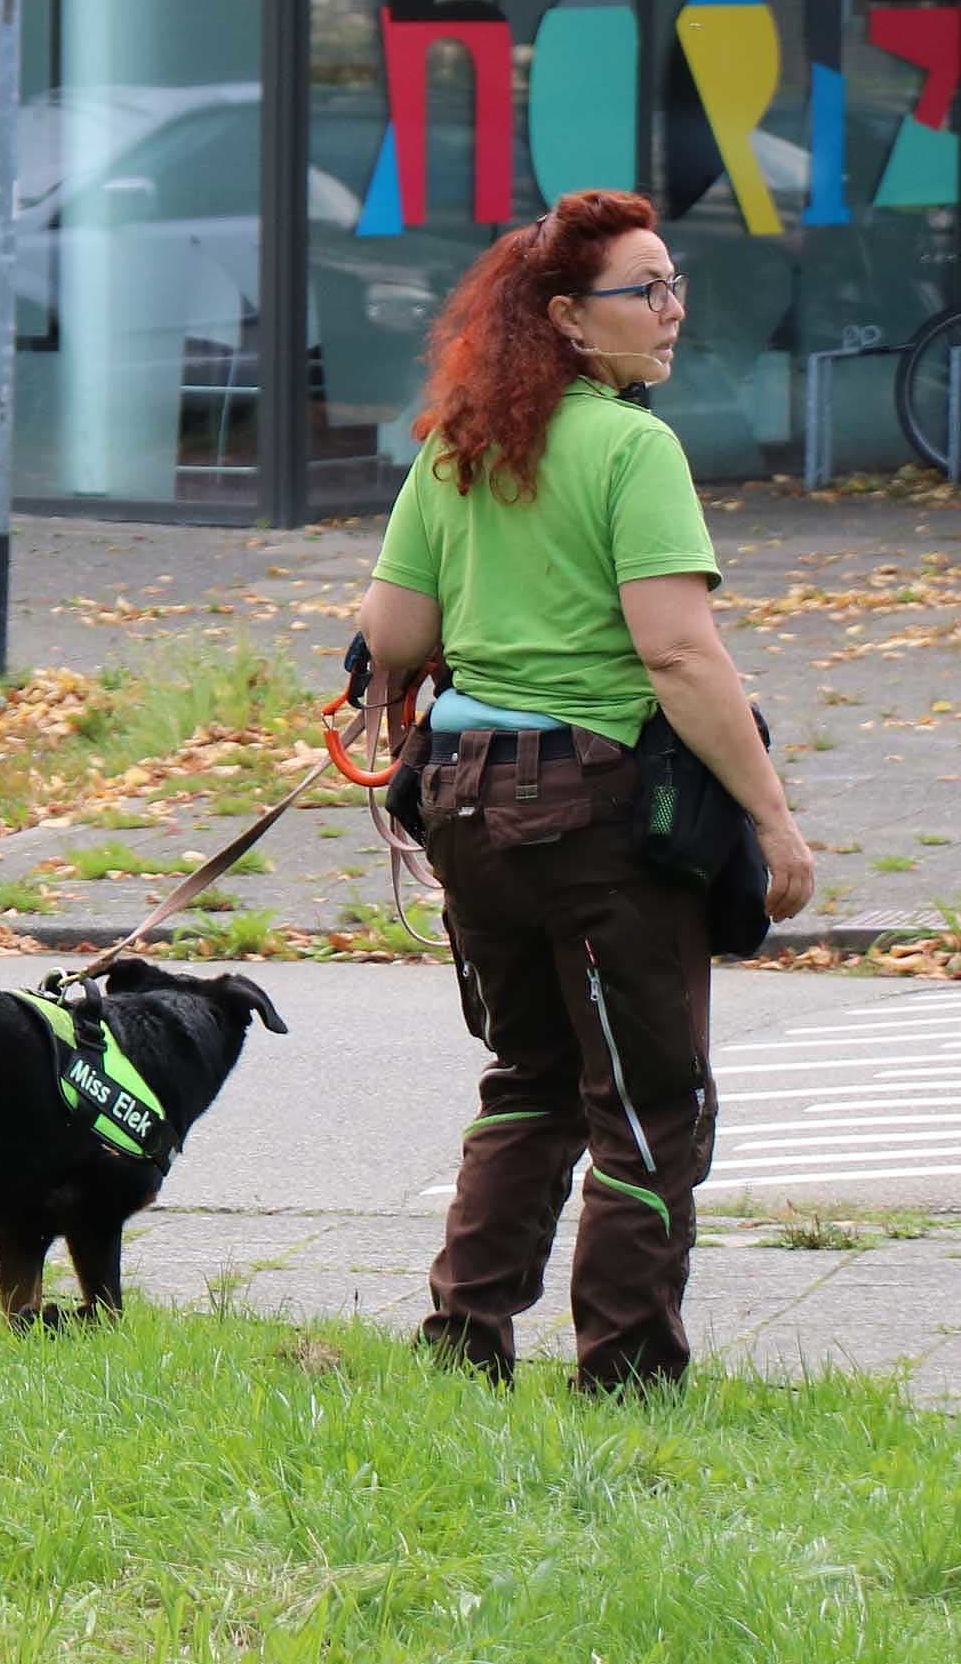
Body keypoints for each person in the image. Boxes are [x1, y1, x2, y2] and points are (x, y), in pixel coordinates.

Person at [357, 189, 814, 1394]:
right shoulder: (631, 447)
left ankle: (465, 1345)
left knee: (529, 1082)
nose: (671, 311)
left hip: (464, 809)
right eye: (645, 290)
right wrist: (772, 819)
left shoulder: (458, 443)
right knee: (649, 1104)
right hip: (596, 817)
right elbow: (678, 654)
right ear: (566, 317)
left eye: (674, 287)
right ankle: (626, 1372)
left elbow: (394, 630)